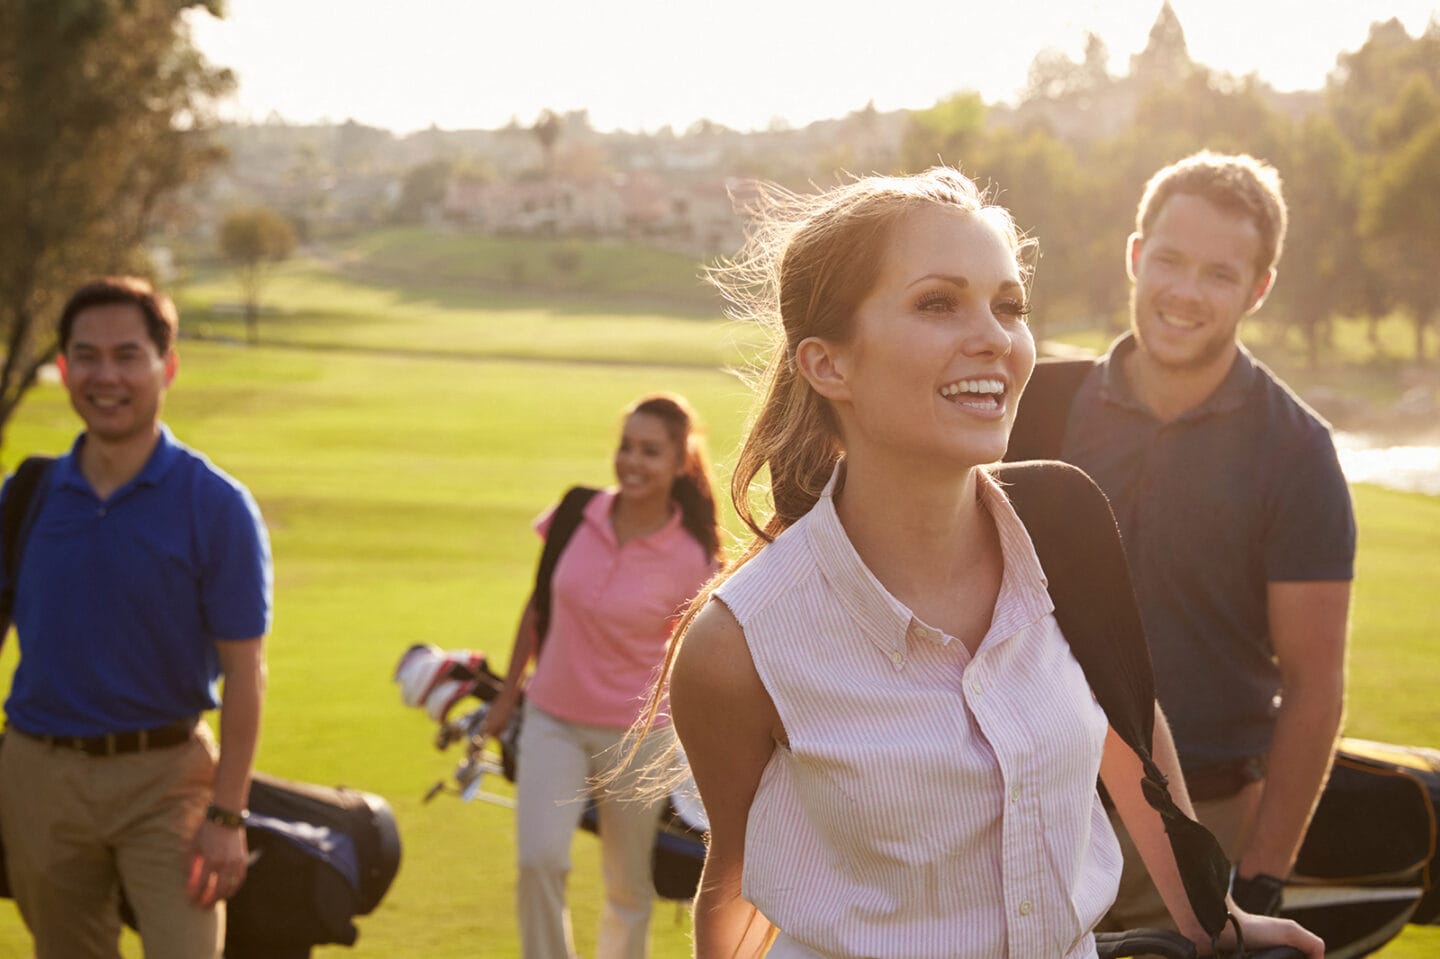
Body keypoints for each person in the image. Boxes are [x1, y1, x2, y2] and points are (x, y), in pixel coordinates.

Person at [641, 168, 1322, 959]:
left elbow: (1127, 727)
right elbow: (738, 879)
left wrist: (1218, 918)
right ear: (829, 365)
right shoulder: (738, 645)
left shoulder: (1066, 526)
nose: (996, 337)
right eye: (938, 303)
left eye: (1009, 306)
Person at [1006, 151, 1356, 927]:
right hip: (1022, 802)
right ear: (1135, 256)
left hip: (1198, 818)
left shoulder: (1296, 450)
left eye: (1220, 273)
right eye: (1168, 260)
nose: (1185, 293)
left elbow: (1314, 685)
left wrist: (1258, 878)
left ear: (1258, 289)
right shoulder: (1035, 406)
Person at [0, 276, 272, 959]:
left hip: (167, 779)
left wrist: (228, 815)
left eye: (128, 355)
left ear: (166, 366)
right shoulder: (27, 495)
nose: (106, 375)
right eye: (86, 356)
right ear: (62, 368)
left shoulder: (216, 505)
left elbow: (246, 673)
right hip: (38, 774)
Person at [482, 393, 721, 959]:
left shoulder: (694, 556)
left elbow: (696, 655)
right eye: (626, 446)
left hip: (637, 739)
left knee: (627, 886)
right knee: (539, 861)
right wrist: (505, 698)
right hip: (550, 718)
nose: (632, 462)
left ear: (677, 463)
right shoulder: (575, 514)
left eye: (650, 451)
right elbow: (538, 609)